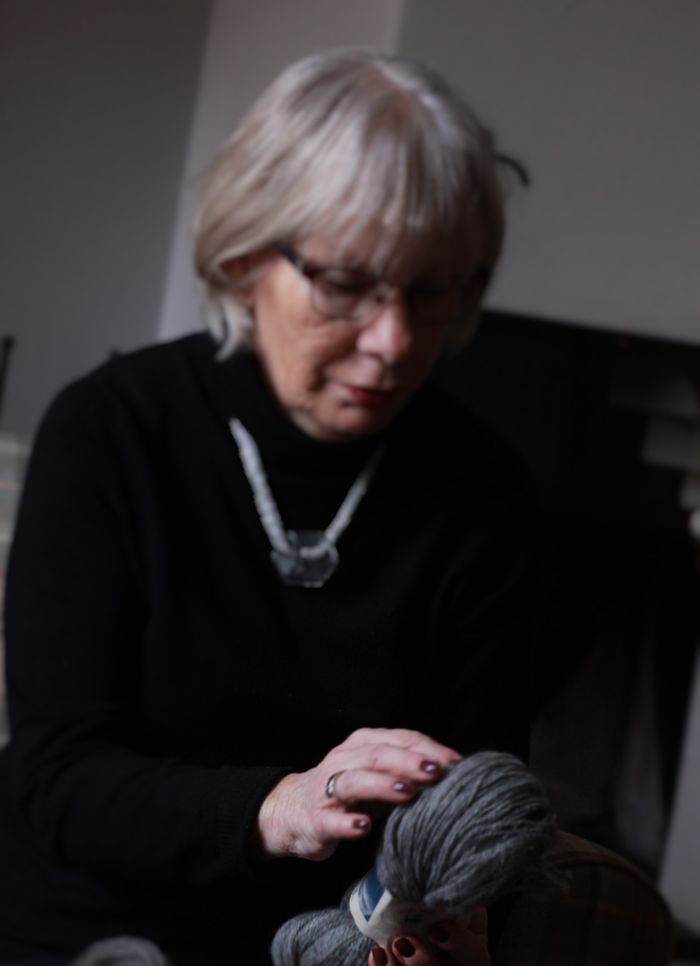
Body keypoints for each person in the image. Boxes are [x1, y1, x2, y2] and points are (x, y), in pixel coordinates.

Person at [0, 48, 534, 966]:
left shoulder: (486, 491)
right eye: (347, 283)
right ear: (245, 257)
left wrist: (461, 916)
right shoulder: (112, 431)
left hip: (339, 941)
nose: (394, 339)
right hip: (88, 929)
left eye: (431, 290)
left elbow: (480, 803)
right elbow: (62, 778)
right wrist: (279, 805)